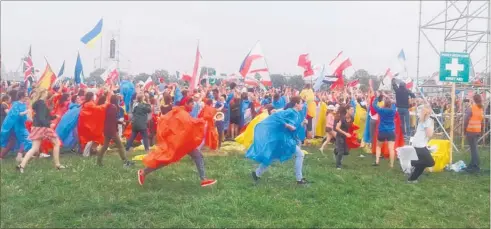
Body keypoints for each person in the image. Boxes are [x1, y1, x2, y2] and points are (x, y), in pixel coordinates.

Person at [138, 98, 217, 187]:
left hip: (184, 142)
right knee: (165, 160)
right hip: (180, 142)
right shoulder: (181, 113)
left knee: (198, 156)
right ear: (186, 103)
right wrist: (202, 121)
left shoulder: (181, 112)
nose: (193, 106)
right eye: (191, 104)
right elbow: (189, 124)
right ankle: (143, 172)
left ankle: (204, 179)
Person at [247, 96, 310, 185]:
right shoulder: (290, 111)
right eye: (301, 103)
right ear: (296, 104)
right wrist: (287, 125)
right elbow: (276, 116)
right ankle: (299, 179)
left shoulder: (297, 114)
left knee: (272, 156)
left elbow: (295, 129)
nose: (303, 105)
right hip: (283, 139)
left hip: (285, 138)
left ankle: (257, 173)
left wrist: (302, 123)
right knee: (300, 154)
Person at [17, 89, 64, 173]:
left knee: (34, 148)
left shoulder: (38, 103)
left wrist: (54, 117)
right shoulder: (41, 103)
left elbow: (43, 116)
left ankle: (22, 165)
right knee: (57, 143)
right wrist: (49, 124)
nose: (48, 94)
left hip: (36, 127)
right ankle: (57, 165)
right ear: (43, 93)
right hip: (43, 127)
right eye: (46, 92)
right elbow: (42, 118)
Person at [97, 95, 134, 167]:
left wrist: (121, 122)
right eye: (118, 99)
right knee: (120, 146)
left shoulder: (110, 107)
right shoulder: (113, 107)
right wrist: (121, 122)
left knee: (105, 146)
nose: (119, 101)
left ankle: (99, 161)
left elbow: (111, 119)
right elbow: (113, 120)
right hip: (112, 130)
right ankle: (125, 162)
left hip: (107, 129)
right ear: (116, 100)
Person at [407, 105, 435, 183]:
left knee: (423, 163)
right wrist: (431, 127)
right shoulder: (428, 120)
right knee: (430, 162)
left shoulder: (421, 120)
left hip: (417, 143)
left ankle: (412, 179)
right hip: (420, 145)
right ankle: (413, 163)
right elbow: (429, 134)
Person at [372, 95, 397, 168]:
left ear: (384, 104)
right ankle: (391, 164)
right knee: (391, 148)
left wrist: (378, 98)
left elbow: (374, 105)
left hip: (382, 131)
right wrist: (392, 101)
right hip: (391, 131)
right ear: (390, 104)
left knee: (378, 146)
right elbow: (395, 104)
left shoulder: (381, 110)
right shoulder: (393, 111)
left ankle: (377, 161)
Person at [463, 94, 484, 173]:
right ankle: (473, 163)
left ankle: (475, 165)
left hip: (471, 131)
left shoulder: (471, 108)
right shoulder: (480, 108)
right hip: (477, 130)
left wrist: (464, 130)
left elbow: (466, 120)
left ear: (473, 100)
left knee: (473, 149)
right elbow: (481, 120)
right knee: (474, 148)